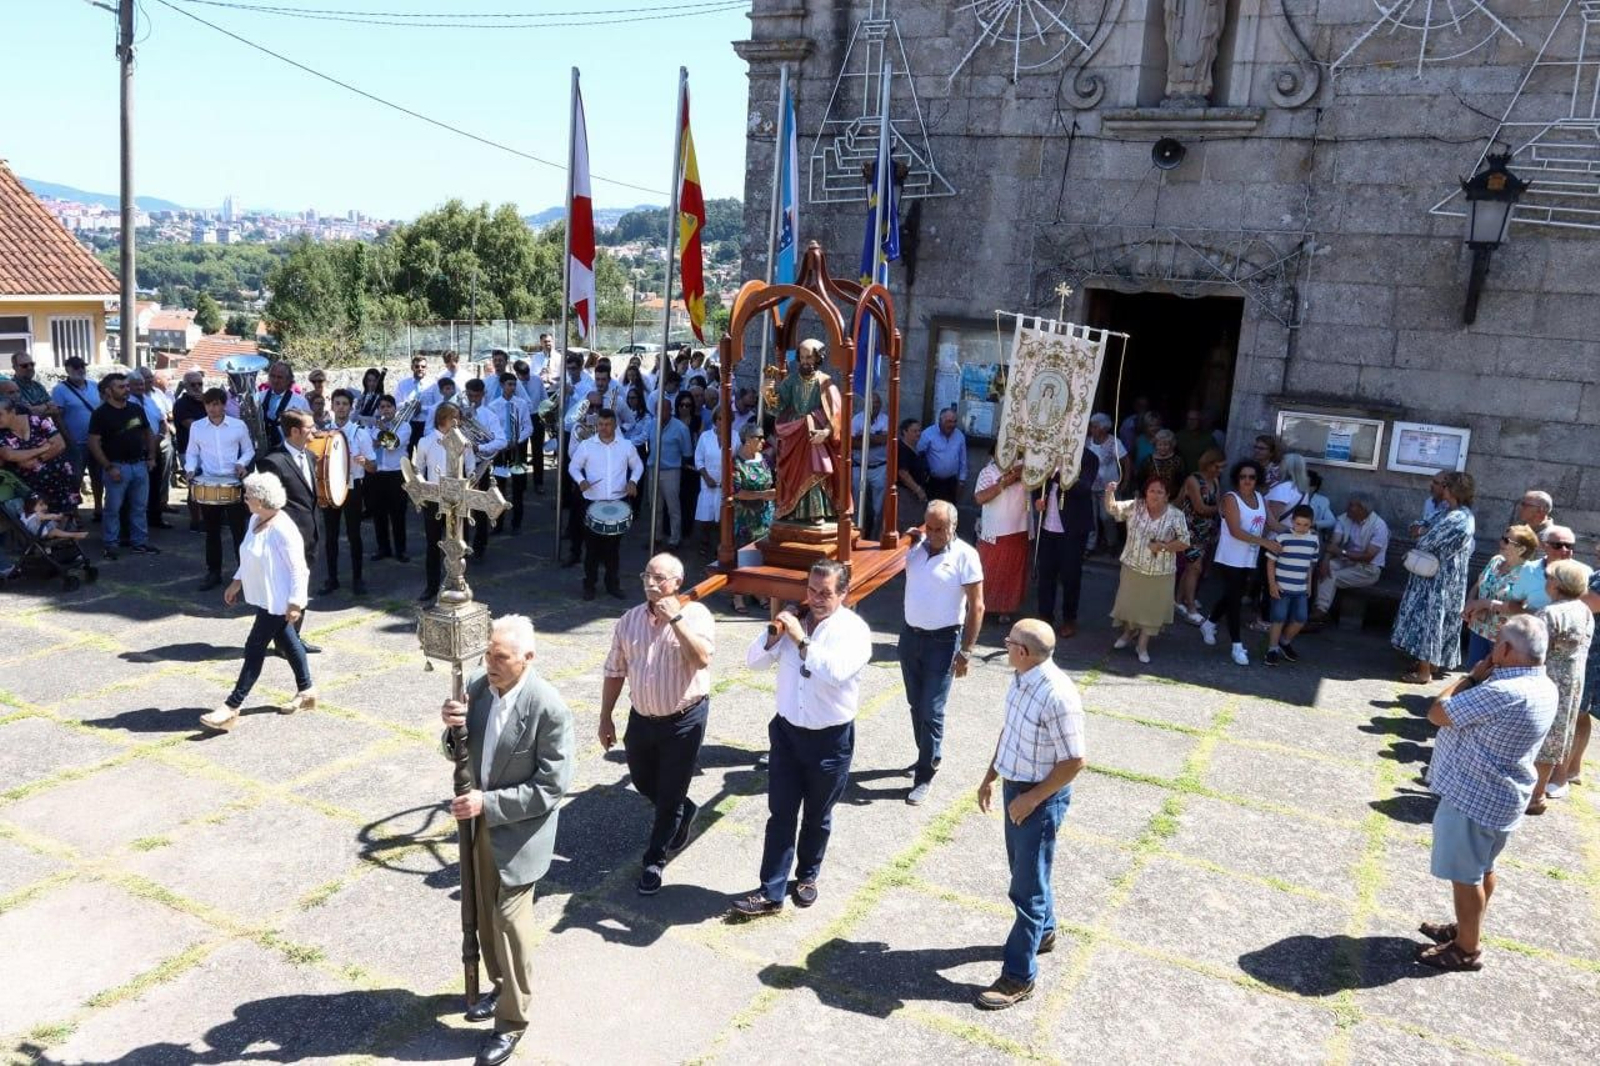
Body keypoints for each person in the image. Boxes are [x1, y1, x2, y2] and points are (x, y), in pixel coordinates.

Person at [439, 615, 575, 1066]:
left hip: (520, 835)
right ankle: (499, 988)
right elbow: (458, 750)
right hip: (481, 827)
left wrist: (487, 803)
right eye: (487, 654)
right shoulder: (478, 689)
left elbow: (551, 788)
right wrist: (451, 728)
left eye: (501, 657)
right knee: (482, 914)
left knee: (510, 923)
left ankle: (512, 1021)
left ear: (528, 658)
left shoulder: (548, 708)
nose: (490, 664)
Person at [731, 559, 872, 918]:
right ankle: (771, 891)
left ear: (844, 593)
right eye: (812, 590)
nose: (816, 598)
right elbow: (753, 663)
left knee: (818, 814)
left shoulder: (854, 631)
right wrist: (773, 636)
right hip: (787, 734)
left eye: (825, 593)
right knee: (780, 813)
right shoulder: (794, 620)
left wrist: (801, 640)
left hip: (830, 739)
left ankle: (807, 875)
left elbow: (837, 673)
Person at [1417, 614, 1557, 971]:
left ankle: (1467, 948)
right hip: (1503, 796)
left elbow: (1437, 713)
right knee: (1482, 868)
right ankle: (1467, 928)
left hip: (1474, 797)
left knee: (1466, 877)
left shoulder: (1502, 691)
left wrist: (1471, 678)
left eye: (1497, 643)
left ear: (1506, 650)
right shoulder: (1544, 685)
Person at [974, 618, 1086, 1010]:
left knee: (1026, 890)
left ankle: (1018, 977)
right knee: (1027, 871)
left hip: (1038, 799)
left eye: (1009, 642)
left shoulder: (1057, 696)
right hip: (1016, 789)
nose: (1004, 646)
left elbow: (1074, 761)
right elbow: (1011, 732)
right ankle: (1046, 931)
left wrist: (1032, 799)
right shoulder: (1022, 679)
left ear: (1022, 652)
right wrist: (990, 776)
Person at [598, 553, 716, 895]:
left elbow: (701, 659)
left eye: (659, 578)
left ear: (677, 583)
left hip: (683, 719)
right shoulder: (629, 620)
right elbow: (615, 671)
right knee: (642, 779)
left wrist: (675, 620)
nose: (650, 583)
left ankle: (654, 859)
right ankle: (684, 809)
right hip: (642, 717)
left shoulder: (697, 615)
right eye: (646, 576)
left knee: (670, 793)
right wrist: (605, 717)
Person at [200, 472, 316, 732]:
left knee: (254, 647)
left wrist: (295, 603)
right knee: (288, 641)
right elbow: (248, 555)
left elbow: (299, 570)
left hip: (279, 600)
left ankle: (232, 706)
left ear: (261, 501)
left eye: (248, 496)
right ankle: (307, 690)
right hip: (265, 596)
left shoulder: (284, 530)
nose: (244, 499)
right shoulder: (255, 519)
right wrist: (236, 582)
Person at [899, 501, 985, 806]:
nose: (934, 534)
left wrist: (967, 651)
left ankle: (926, 772)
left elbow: (977, 606)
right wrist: (910, 538)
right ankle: (926, 753)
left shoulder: (966, 556)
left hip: (944, 642)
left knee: (932, 709)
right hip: (910, 638)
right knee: (915, 704)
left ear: (953, 526)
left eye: (940, 529)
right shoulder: (915, 548)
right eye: (930, 527)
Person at [1393, 472, 1478, 685]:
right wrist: (1422, 529)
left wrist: (1423, 531)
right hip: (1431, 576)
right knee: (1428, 620)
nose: (1441, 487)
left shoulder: (1460, 518)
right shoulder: (1446, 511)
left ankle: (1424, 672)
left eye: (1445, 485)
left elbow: (1426, 541)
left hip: (1441, 580)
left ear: (1454, 489)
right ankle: (1430, 664)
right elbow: (1417, 525)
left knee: (1432, 621)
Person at [253, 409, 323, 653]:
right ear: (294, 431)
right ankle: (285, 644)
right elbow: (265, 506)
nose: (315, 431)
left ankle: (294, 639)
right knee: (285, 591)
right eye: (310, 427)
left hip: (310, 534)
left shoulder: (310, 456)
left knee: (301, 589)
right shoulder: (272, 462)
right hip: (285, 540)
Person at [1528, 559, 1595, 812]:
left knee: (1536, 733)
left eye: (1549, 577)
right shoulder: (1584, 610)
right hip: (1570, 685)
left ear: (1557, 584)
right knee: (1555, 737)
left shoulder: (1549, 613)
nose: (1546, 582)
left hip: (1546, 681)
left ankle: (1530, 794)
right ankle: (1538, 794)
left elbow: (1533, 651)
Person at [1104, 476, 1191, 665]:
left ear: (1167, 495)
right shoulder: (1135, 506)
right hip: (1132, 566)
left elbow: (1185, 541)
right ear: (1146, 492)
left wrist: (1163, 546)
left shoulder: (1176, 515)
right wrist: (1109, 492)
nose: (1155, 495)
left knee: (1152, 611)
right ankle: (1128, 633)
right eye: (1152, 490)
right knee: (1130, 605)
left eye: (1160, 492)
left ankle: (1142, 645)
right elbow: (1112, 508)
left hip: (1161, 572)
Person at [1201, 461, 1279, 665]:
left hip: (1248, 557)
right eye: (1243, 476)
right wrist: (1266, 543)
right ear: (1237, 478)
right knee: (1235, 601)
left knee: (1232, 595)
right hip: (1229, 557)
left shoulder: (1260, 498)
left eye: (1251, 477)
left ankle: (1209, 623)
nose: (1247, 480)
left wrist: (1299, 532)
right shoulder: (1230, 498)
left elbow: (1273, 523)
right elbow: (1235, 531)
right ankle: (1237, 646)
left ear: (1257, 479)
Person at [569, 409, 643, 601]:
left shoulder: (626, 446)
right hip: (592, 502)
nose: (603, 428)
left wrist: (633, 481)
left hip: (618, 502)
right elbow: (573, 467)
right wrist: (581, 480)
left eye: (608, 424)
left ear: (614, 425)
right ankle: (589, 585)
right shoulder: (586, 446)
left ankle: (612, 585)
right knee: (592, 548)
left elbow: (638, 466)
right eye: (600, 424)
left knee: (613, 548)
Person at [185, 386, 253, 591]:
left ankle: (245, 573)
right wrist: (190, 469)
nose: (212, 409)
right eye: (208, 404)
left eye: (216, 404)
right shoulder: (197, 427)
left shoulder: (238, 425)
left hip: (233, 482)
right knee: (212, 531)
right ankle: (213, 572)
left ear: (224, 405)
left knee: (239, 532)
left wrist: (241, 463)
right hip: (209, 483)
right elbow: (191, 453)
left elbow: (249, 450)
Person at [86, 373, 158, 560]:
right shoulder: (100, 414)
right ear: (108, 391)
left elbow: (148, 433)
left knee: (139, 507)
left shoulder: (136, 409)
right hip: (117, 466)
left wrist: (151, 457)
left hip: (139, 464)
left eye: (127, 386)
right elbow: (93, 442)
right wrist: (108, 467)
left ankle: (140, 543)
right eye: (121, 387)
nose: (126, 390)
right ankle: (111, 544)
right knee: (113, 509)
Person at [773, 339, 845, 522]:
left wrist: (826, 432)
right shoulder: (791, 381)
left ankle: (816, 512)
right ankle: (792, 510)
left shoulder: (825, 382)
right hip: (795, 434)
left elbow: (837, 412)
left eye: (809, 357)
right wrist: (768, 395)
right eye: (803, 357)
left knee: (815, 470)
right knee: (793, 473)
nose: (805, 361)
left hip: (815, 435)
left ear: (817, 358)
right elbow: (777, 407)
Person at [1035, 447, 1099, 640]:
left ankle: (1069, 619)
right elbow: (1037, 482)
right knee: (1045, 573)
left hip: (1073, 527)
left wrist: (1057, 474)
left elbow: (1084, 488)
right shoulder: (1049, 451)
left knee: (1070, 576)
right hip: (1048, 525)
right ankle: (1045, 616)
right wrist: (1037, 499)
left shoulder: (1088, 457)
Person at [1460, 524, 1542, 667]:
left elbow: (1524, 609)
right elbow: (1478, 585)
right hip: (1478, 628)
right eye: (1502, 538)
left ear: (1521, 549)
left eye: (1506, 540)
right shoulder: (1495, 560)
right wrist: (1470, 603)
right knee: (1473, 671)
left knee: (1493, 675)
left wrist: (1485, 604)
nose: (1501, 542)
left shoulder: (1527, 573)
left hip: (1503, 638)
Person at [321, 389, 374, 596]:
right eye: (338, 403)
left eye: (345, 404)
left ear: (351, 408)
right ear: (332, 406)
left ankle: (357, 579)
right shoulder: (324, 432)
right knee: (330, 536)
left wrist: (365, 462)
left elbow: (373, 467)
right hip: (329, 489)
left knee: (354, 535)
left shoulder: (360, 433)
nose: (341, 407)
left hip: (353, 488)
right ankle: (331, 578)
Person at [1311, 492, 1390, 624]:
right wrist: (1325, 562)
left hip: (1368, 569)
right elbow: (1334, 543)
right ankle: (1319, 613)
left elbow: (1368, 557)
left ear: (1362, 509)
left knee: (1330, 576)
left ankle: (1320, 612)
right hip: (1347, 561)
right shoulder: (1344, 519)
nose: (1347, 507)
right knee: (1326, 568)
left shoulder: (1379, 526)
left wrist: (1341, 551)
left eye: (1351, 505)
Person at [972, 453, 1029, 624]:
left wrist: (1019, 473)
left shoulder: (1026, 467)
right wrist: (1004, 482)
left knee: (1012, 571)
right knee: (988, 570)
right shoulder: (988, 471)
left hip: (1019, 528)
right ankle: (981, 607)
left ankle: (1006, 609)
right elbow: (980, 498)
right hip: (994, 531)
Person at [0, 395, 80, 515]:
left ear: (12, 412)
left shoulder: (37, 421)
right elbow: (9, 455)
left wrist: (38, 459)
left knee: (66, 516)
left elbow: (60, 444)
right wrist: (43, 448)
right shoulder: (1, 433)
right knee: (39, 522)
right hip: (30, 487)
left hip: (59, 479)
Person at [1264, 504, 1320, 667]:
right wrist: (1272, 584)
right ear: (1292, 521)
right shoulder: (1282, 538)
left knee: (1301, 618)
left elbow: (1310, 565)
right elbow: (1270, 562)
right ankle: (1272, 649)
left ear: (1311, 523)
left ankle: (1284, 642)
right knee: (1278, 618)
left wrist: (1309, 585)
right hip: (1282, 587)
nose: (1301, 528)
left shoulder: (1313, 540)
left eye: (1306, 525)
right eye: (1298, 524)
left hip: (1300, 588)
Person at [729, 422, 776, 612]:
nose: (763, 441)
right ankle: (738, 596)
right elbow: (736, 492)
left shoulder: (763, 459)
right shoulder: (735, 463)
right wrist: (763, 495)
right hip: (745, 517)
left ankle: (758, 591)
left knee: (761, 555)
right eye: (759, 437)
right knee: (744, 555)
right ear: (748, 440)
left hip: (764, 515)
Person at [1175, 448, 1223, 625]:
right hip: (1189, 529)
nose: (1220, 470)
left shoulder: (1215, 480)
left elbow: (1216, 503)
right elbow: (1200, 508)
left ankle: (1178, 600)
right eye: (1217, 466)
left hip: (1205, 530)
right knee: (1195, 568)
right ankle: (1191, 608)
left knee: (1191, 567)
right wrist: (1221, 509)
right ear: (1208, 464)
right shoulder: (1193, 480)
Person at [50, 355, 100, 516]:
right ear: (68, 369)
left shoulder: (94, 386)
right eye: (76, 367)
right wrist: (68, 439)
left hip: (96, 441)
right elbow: (57, 417)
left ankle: (98, 508)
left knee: (98, 476)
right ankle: (74, 513)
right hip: (75, 443)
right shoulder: (59, 390)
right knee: (74, 479)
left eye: (82, 366)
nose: (80, 370)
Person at [367, 395, 412, 564]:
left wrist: (381, 433)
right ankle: (383, 548)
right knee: (379, 513)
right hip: (377, 473)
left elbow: (393, 445)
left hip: (396, 473)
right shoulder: (374, 426)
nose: (385, 410)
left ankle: (401, 550)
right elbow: (372, 445)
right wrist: (382, 436)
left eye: (388, 406)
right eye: (382, 407)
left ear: (394, 408)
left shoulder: (404, 426)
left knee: (398, 513)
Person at [487, 373, 534, 534]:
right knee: (499, 487)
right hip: (501, 450)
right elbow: (492, 430)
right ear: (502, 385)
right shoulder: (493, 406)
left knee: (518, 488)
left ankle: (516, 523)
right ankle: (498, 523)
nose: (512, 387)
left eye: (514, 384)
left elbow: (528, 427)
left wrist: (517, 440)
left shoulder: (521, 404)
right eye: (509, 384)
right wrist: (501, 443)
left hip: (517, 449)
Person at [131, 368, 176, 530]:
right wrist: (150, 442)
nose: (142, 386)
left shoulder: (150, 398)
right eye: (138, 383)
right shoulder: (129, 402)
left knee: (156, 484)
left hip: (156, 445)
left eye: (143, 383)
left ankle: (155, 517)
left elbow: (162, 419)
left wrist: (159, 438)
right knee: (139, 488)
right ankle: (138, 522)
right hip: (138, 448)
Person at [650, 393, 694, 550]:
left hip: (671, 472)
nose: (659, 413)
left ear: (670, 410)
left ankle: (675, 539)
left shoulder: (681, 428)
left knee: (673, 507)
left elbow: (687, 452)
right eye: (657, 410)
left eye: (662, 409)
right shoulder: (652, 424)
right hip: (653, 470)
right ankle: (656, 537)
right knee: (655, 507)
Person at [1085, 413, 1130, 555]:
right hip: (1089, 486)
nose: (1092, 429)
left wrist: (1125, 481)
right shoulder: (1087, 442)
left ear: (1104, 428)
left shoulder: (1114, 442)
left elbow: (1126, 461)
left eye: (1095, 426)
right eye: (1092, 426)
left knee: (1107, 517)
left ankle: (1112, 543)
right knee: (1090, 517)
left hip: (1108, 487)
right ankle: (1090, 546)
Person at [173, 371, 209, 532]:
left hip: (207, 450)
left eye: (200, 384)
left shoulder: (206, 402)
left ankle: (207, 518)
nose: (197, 387)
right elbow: (194, 427)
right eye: (193, 384)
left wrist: (207, 404)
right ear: (186, 386)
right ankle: (196, 521)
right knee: (194, 486)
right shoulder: (181, 404)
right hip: (189, 451)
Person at [850, 393, 890, 538]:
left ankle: (875, 537)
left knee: (878, 508)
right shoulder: (856, 419)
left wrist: (863, 436)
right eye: (873, 403)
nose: (875, 406)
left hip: (879, 468)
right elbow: (850, 442)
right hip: (859, 467)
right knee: (856, 505)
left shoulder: (885, 420)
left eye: (878, 403)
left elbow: (884, 440)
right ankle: (855, 535)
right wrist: (874, 438)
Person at [918, 406, 968, 506]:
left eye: (954, 421)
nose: (952, 425)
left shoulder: (959, 436)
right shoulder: (928, 434)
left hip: (951, 483)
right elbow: (918, 455)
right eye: (949, 421)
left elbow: (963, 460)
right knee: (931, 512)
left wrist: (962, 481)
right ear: (940, 420)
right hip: (932, 482)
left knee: (949, 512)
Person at [258, 361, 311, 452]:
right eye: (272, 376)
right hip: (262, 448)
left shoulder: (300, 401)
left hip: (289, 450)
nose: (275, 380)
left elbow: (308, 425)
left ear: (289, 380)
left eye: (280, 377)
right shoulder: (259, 397)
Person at [693, 406, 725, 556]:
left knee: (723, 518)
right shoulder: (705, 437)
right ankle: (704, 544)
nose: (722, 422)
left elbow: (738, 458)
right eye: (719, 419)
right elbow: (698, 459)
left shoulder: (735, 437)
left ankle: (721, 546)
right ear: (715, 420)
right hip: (707, 483)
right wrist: (706, 477)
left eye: (726, 419)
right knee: (705, 518)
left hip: (725, 485)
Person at [895, 417, 929, 531]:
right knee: (906, 525)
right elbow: (903, 473)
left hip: (913, 494)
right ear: (905, 432)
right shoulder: (902, 449)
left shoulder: (914, 448)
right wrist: (918, 490)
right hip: (905, 494)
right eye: (914, 431)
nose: (918, 434)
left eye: (919, 431)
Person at [395, 354, 432, 456]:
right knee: (406, 454)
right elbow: (396, 404)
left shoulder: (433, 384)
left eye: (423, 366)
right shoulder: (402, 384)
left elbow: (437, 406)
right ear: (412, 367)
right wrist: (409, 405)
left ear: (426, 368)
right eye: (417, 366)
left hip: (425, 424)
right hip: (407, 423)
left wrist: (422, 408)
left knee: (425, 455)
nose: (420, 369)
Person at [1135, 427, 1185, 500]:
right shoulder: (1148, 460)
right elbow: (1140, 481)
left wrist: (1178, 500)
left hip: (1172, 499)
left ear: (1171, 445)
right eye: (1160, 444)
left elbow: (1182, 482)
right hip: (1151, 498)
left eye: (1166, 445)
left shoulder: (1178, 461)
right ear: (1155, 445)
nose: (1162, 447)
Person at [9, 350, 60, 420]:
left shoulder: (38, 386)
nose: (30, 368)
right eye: (24, 366)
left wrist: (43, 407)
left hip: (45, 426)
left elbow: (55, 409)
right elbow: (29, 412)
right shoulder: (10, 388)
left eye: (32, 364)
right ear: (15, 368)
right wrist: (47, 406)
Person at [22, 495, 87, 543]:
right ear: (31, 506)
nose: (45, 507)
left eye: (45, 504)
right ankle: (74, 535)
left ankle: (64, 532)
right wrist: (58, 515)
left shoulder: (23, 514)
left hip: (34, 533)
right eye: (41, 505)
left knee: (55, 524)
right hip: (40, 534)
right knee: (54, 531)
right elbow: (50, 516)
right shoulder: (38, 514)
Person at [1409, 474, 1450, 539]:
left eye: (1436, 483)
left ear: (1446, 487)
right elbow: (1423, 523)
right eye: (1432, 482)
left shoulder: (1451, 506)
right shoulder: (1429, 502)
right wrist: (1415, 528)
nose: (1431, 485)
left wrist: (1422, 530)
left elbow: (1444, 532)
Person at [1174, 408, 1214, 474]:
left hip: (1199, 475)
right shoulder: (1179, 436)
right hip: (1181, 475)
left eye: (1194, 419)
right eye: (1189, 419)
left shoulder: (1208, 438)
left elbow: (1213, 458)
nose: (1191, 422)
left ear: (1200, 421)